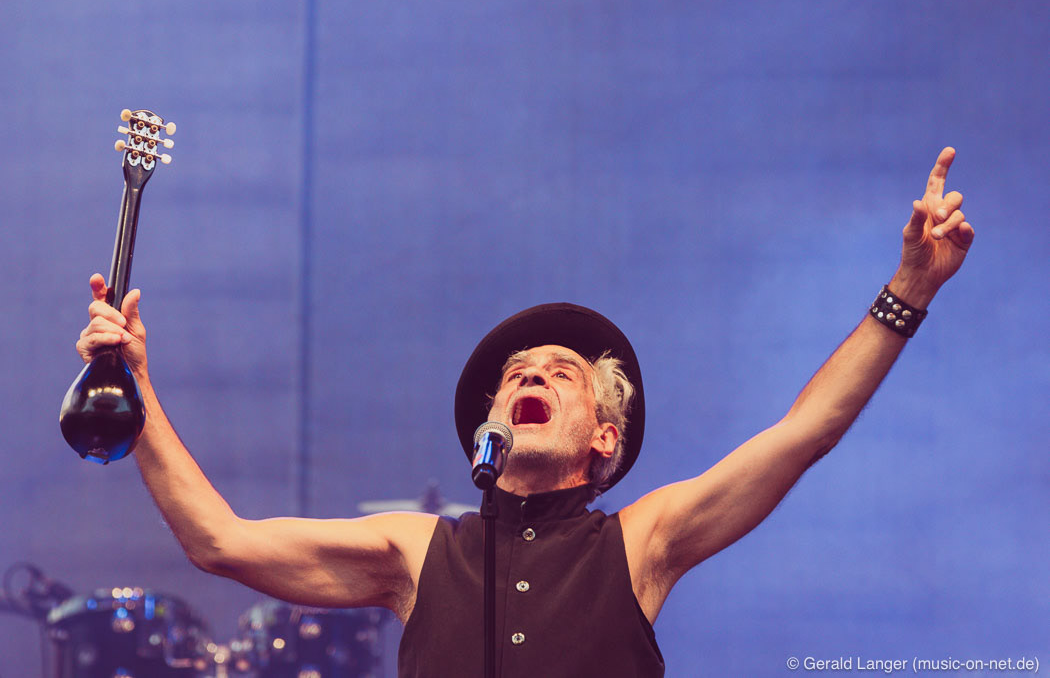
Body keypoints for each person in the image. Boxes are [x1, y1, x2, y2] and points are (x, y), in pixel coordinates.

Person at [75, 148, 974, 676]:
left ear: (605, 438)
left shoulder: (643, 541)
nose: (529, 376)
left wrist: (908, 290)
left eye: (560, 373)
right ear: (489, 428)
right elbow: (220, 542)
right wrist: (135, 386)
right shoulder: (418, 551)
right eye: (515, 374)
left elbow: (805, 432)